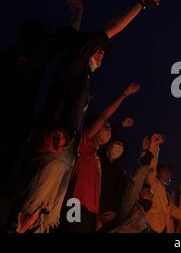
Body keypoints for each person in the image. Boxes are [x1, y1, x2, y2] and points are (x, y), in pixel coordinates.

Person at [16, 0, 160, 232]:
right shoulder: (74, 61)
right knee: (31, 214)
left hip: (65, 150)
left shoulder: (75, 69)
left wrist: (78, 14)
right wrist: (141, 4)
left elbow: (69, 33)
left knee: (45, 218)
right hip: (56, 145)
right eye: (99, 50)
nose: (101, 53)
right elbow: (112, 28)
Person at [0, 0, 84, 195]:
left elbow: (68, 35)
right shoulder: (38, 56)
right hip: (17, 127)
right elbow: (69, 34)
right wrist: (79, 12)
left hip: (17, 127)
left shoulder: (8, 57)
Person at [61, 83, 140, 233]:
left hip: (89, 212)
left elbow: (96, 189)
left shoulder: (96, 156)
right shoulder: (84, 145)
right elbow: (104, 116)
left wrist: (96, 214)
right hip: (75, 204)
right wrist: (125, 94)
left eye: (109, 128)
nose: (108, 130)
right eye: (105, 127)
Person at [111, 134, 163, 233]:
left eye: (149, 193)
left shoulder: (139, 216)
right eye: (149, 192)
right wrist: (151, 150)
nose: (151, 193)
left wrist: (149, 151)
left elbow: (140, 177)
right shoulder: (130, 208)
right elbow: (139, 177)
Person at [145, 137, 181, 233]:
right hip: (152, 229)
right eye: (165, 171)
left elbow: (180, 215)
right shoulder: (153, 184)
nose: (168, 173)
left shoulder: (169, 196)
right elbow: (152, 167)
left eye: (170, 171)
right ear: (157, 174)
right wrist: (156, 146)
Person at [97, 135, 129, 232]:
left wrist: (114, 212)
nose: (119, 147)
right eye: (117, 144)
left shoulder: (120, 173)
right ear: (109, 145)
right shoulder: (97, 161)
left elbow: (119, 194)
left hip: (107, 219)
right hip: (89, 211)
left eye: (122, 146)